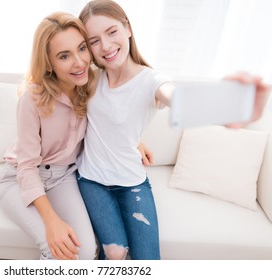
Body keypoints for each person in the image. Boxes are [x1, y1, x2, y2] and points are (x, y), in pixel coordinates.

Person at [76, 0, 270, 260]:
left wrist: (230, 106)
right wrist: (136, 141)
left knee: (149, 263)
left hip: (132, 182)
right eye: (94, 40)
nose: (106, 46)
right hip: (91, 180)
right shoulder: (90, 77)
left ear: (128, 29)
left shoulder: (151, 81)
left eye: (112, 32)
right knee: (114, 253)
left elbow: (178, 100)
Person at [0, 11, 97, 260]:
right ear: (49, 63)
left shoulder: (92, 84)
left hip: (64, 176)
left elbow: (115, 118)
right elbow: (27, 165)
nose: (79, 62)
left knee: (84, 253)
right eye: (64, 56)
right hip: (19, 179)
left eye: (82, 48)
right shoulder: (32, 98)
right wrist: (51, 221)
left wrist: (134, 142)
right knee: (57, 252)